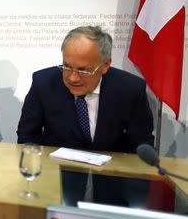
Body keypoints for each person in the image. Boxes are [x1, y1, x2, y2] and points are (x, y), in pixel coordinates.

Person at [17, 26, 154, 153]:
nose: (73, 78)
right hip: (57, 171)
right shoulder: (43, 83)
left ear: (105, 64)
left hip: (113, 173)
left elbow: (141, 144)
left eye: (83, 70)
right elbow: (27, 137)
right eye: (67, 67)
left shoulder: (130, 89)